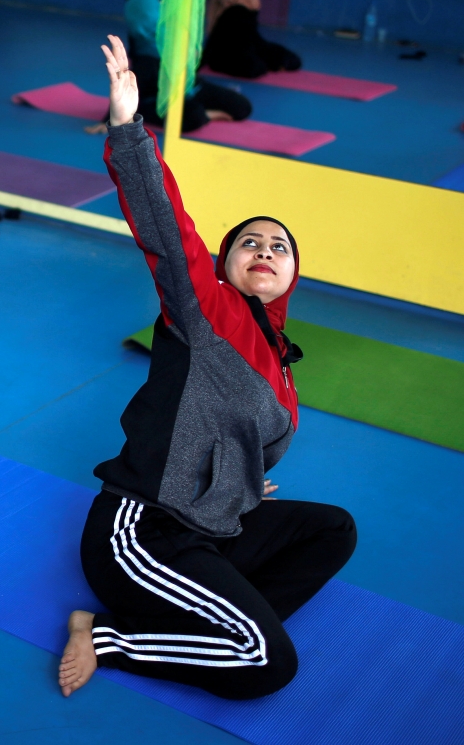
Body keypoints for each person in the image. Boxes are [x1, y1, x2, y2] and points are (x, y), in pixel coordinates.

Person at [57, 35, 356, 701]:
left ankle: (217, 628)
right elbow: (167, 229)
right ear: (224, 266)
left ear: (292, 275)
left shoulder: (279, 360)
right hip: (145, 530)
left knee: (333, 529)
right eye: (249, 241)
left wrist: (240, 479)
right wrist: (130, 128)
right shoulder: (207, 312)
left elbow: (242, 435)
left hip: (212, 524)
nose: (265, 249)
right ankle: (109, 635)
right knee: (269, 666)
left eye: (279, 247)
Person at [88, 0, 251, 134]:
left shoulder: (145, 41)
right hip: (170, 96)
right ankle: (207, 113)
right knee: (214, 112)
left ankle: (206, 114)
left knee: (234, 108)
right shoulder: (155, 42)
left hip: (185, 91)